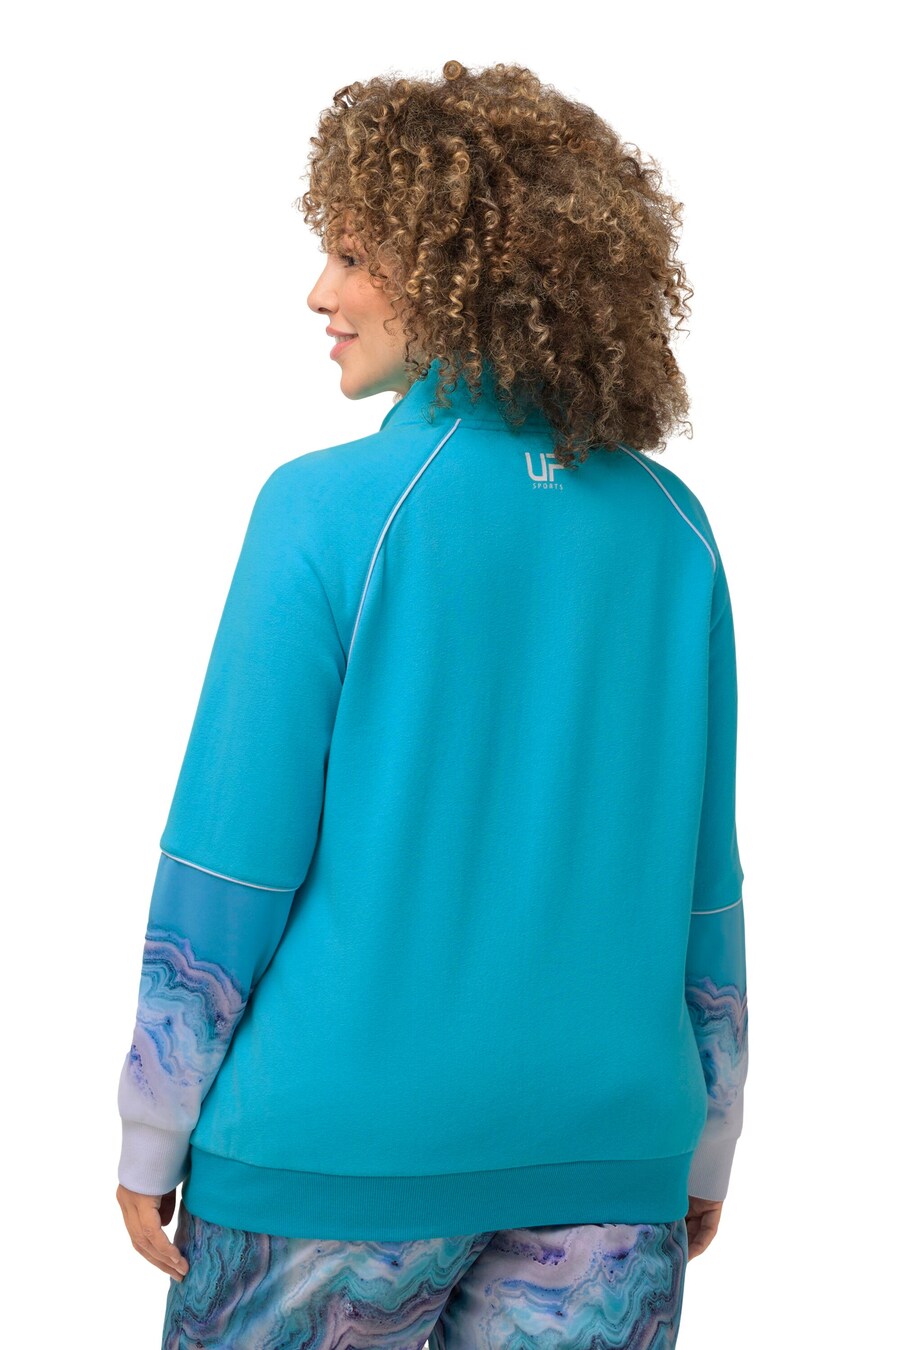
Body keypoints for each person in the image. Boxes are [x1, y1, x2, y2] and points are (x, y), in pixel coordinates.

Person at [115, 58, 748, 1349]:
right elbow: (706, 884)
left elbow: (230, 860)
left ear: (460, 274)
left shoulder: (324, 510)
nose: (321, 291)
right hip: (609, 1168)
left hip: (326, 1161)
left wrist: (151, 1120)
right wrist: (711, 1134)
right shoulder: (675, 529)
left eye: (355, 254)